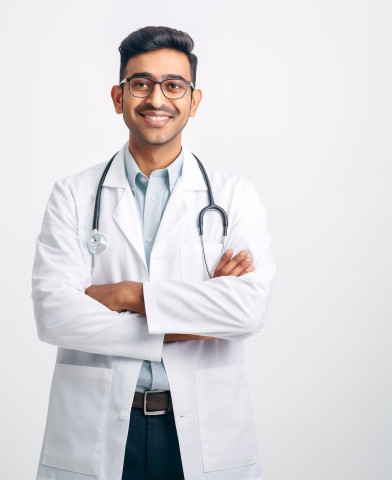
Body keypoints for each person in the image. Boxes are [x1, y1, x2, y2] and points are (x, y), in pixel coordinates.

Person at [32, 26, 275, 480]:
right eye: (140, 83)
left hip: (201, 436)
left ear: (194, 100)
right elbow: (55, 314)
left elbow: (247, 309)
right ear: (118, 96)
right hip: (97, 429)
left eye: (173, 85)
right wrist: (193, 321)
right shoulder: (73, 195)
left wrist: (126, 294)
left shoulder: (234, 195)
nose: (156, 99)